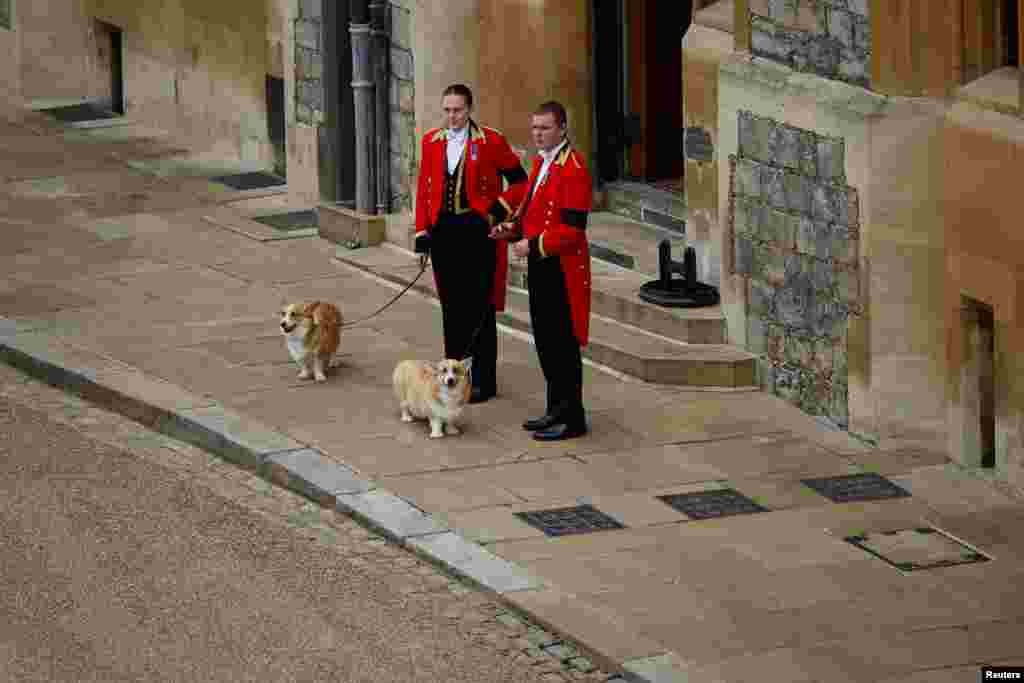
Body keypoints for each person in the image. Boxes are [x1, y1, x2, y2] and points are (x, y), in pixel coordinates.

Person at [413, 84, 529, 403]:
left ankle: (484, 381)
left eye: (458, 110)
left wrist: (497, 211)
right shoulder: (431, 142)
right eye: (447, 110)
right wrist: (422, 232)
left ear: (470, 109)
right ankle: (454, 377)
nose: (452, 116)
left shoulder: (491, 141)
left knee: (480, 307)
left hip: (478, 231)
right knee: (451, 306)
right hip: (445, 232)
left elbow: (521, 182)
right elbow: (424, 189)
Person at [492, 101, 593, 441]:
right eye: (534, 127)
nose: (537, 134)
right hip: (541, 265)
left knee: (563, 344)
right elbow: (532, 213)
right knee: (546, 341)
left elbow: (572, 230)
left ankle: (573, 417)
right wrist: (512, 230)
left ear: (562, 129)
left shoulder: (574, 167)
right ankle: (555, 409)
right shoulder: (540, 163)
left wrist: (530, 246)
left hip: (561, 269)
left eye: (545, 128)